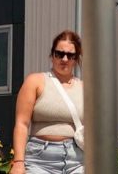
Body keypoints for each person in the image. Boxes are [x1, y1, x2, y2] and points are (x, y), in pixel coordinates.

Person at [9, 30, 85, 174]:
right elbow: (22, 123)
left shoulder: (84, 88)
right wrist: (18, 162)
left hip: (77, 161)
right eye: (59, 54)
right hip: (41, 160)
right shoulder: (35, 81)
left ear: (75, 59)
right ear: (52, 56)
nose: (64, 59)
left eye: (70, 55)